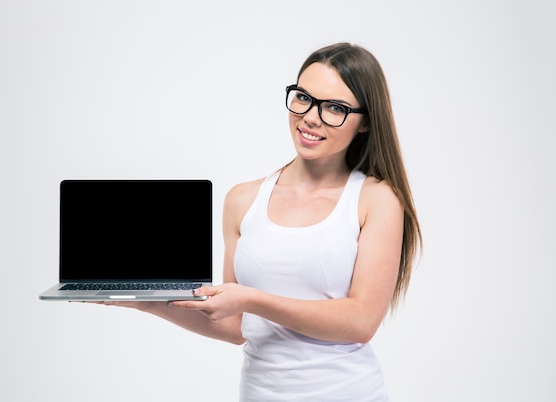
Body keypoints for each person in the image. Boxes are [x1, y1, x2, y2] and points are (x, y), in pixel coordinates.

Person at [99, 42, 422, 401]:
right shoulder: (242, 200)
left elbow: (361, 323)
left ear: (364, 123)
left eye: (335, 108)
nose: (311, 117)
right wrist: (146, 301)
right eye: (303, 98)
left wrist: (252, 299)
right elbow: (234, 325)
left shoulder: (375, 199)